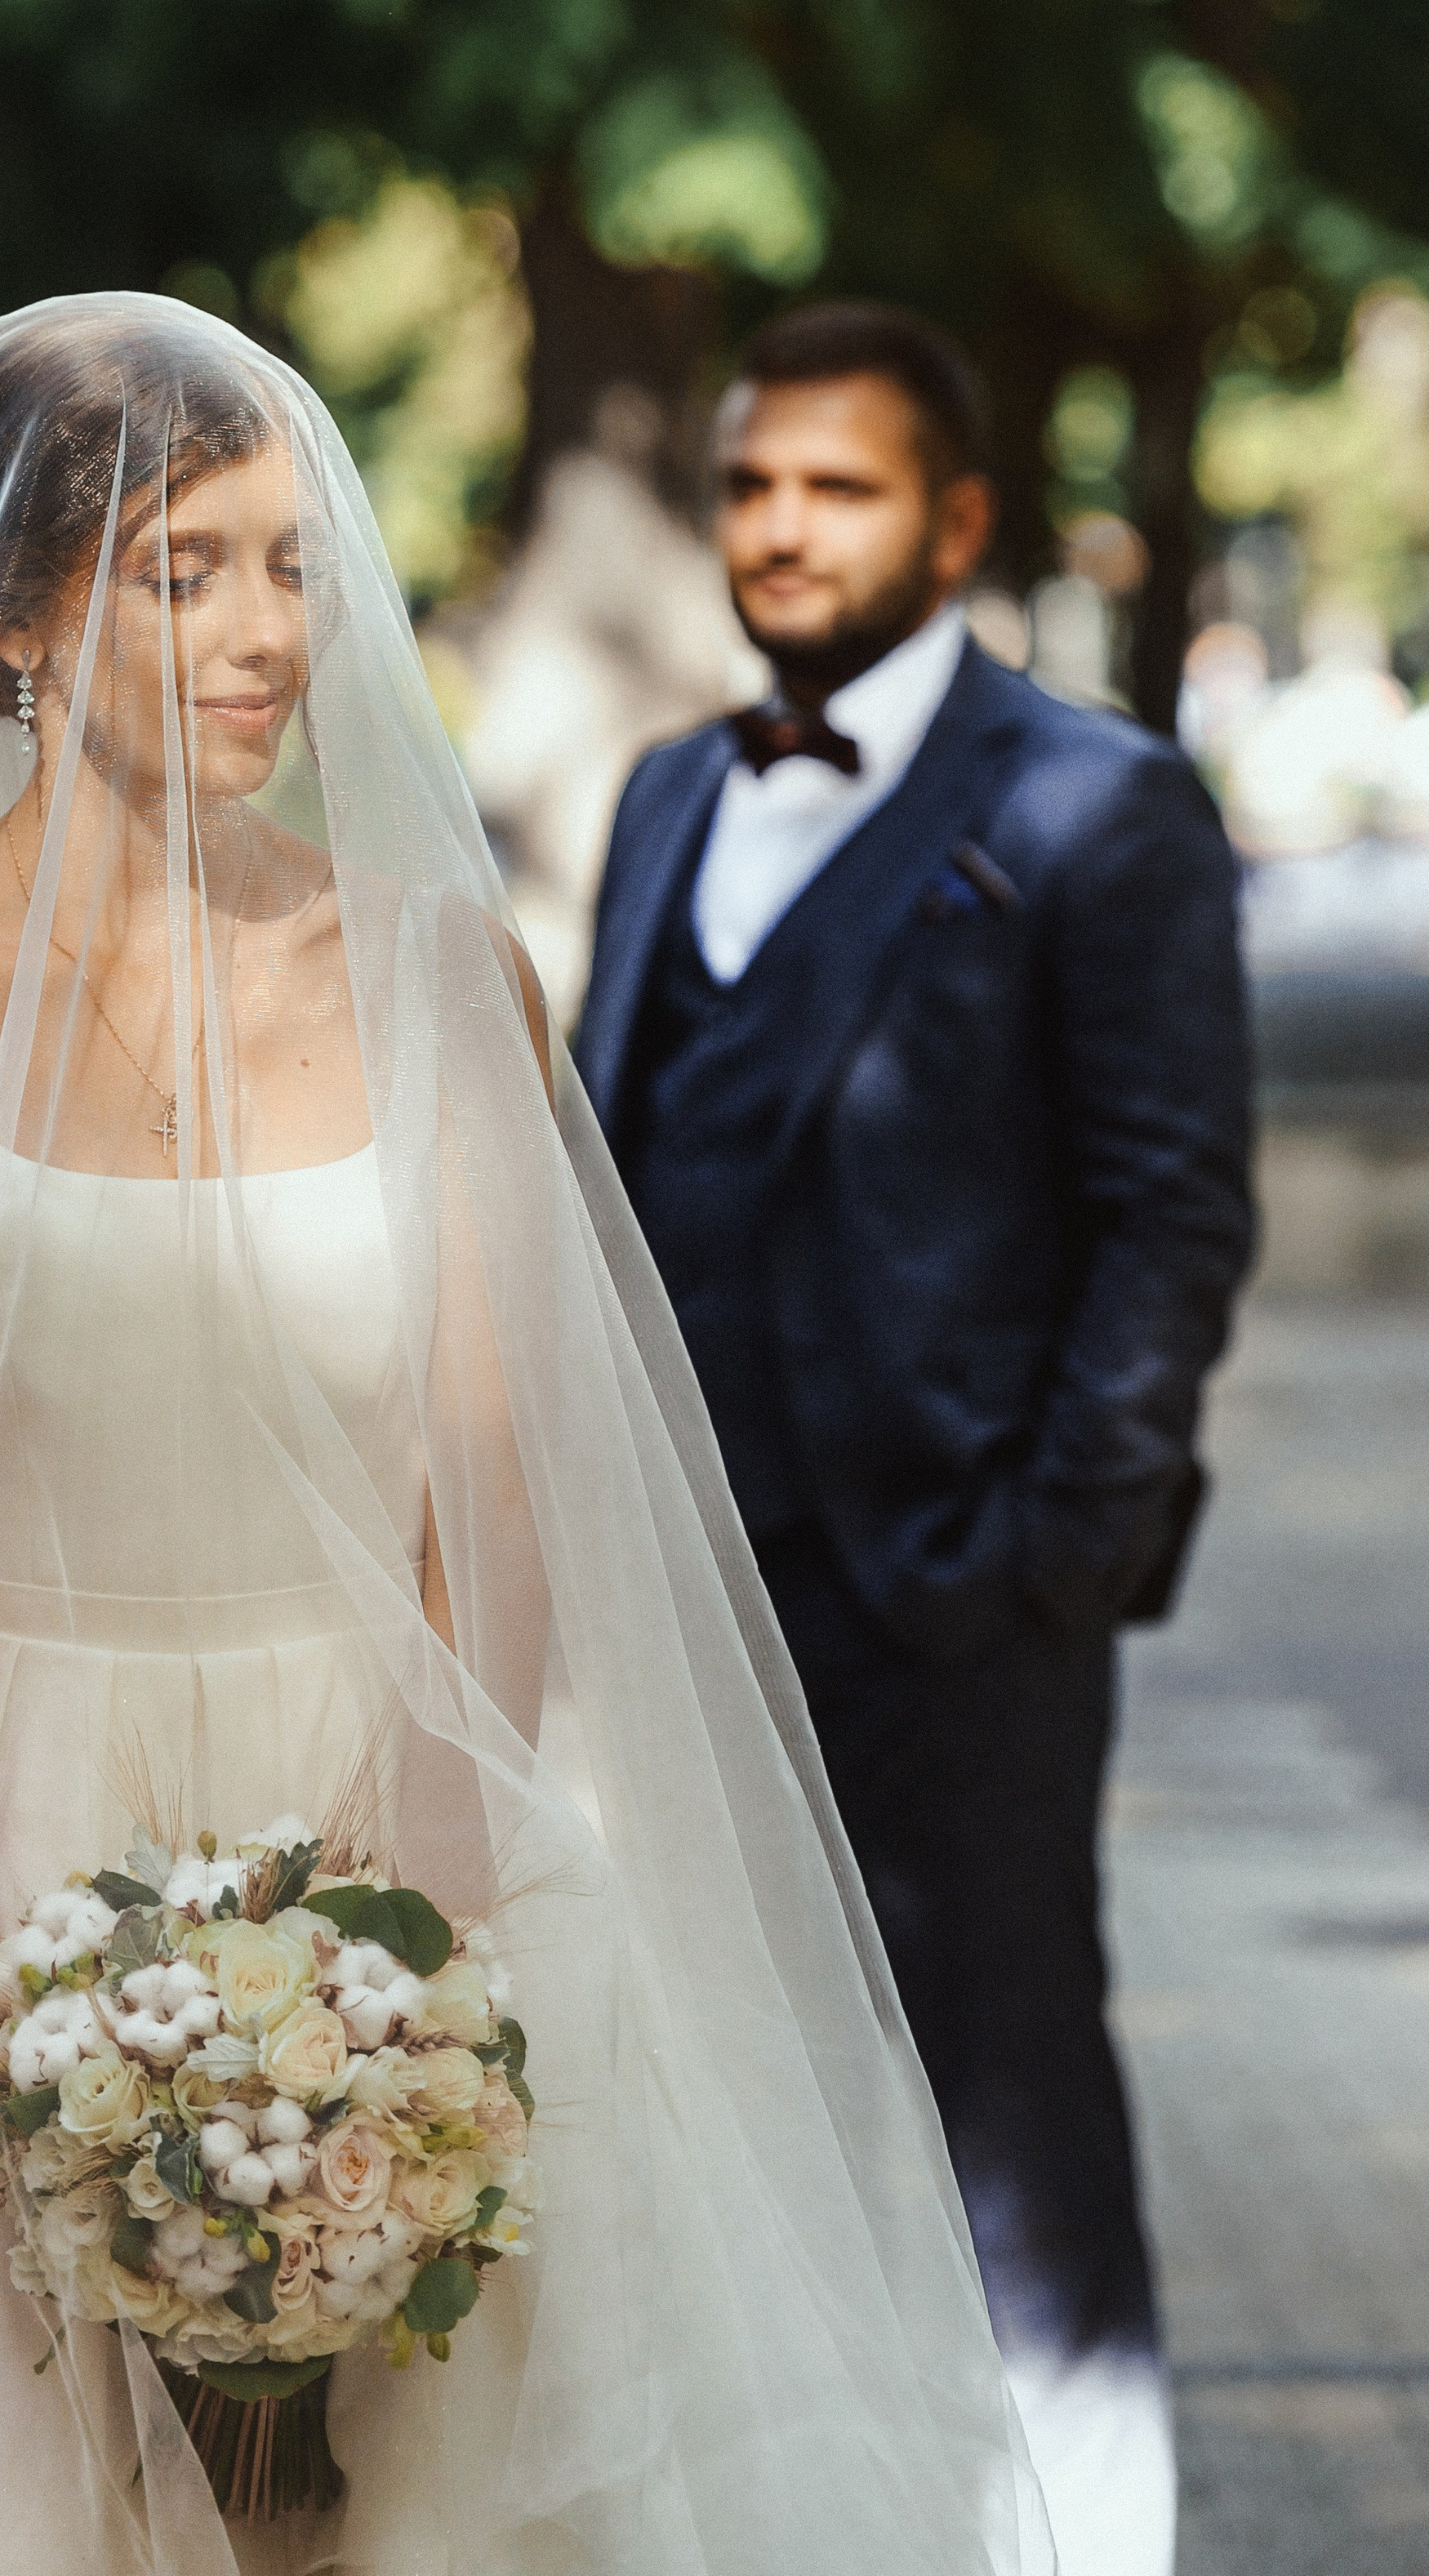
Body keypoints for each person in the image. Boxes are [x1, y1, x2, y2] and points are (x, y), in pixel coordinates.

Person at [0, 299, 1053, 2576]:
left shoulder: (450, 977)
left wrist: (399, 1983)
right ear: (27, 620)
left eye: (290, 566)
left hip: (397, 1828)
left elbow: (492, 1501)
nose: (272, 635)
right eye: (188, 572)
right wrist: (26, 2062)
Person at [577, 298, 1255, 2576]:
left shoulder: (1095, 802)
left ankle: (1080, 2543)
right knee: (713, 2113)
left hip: (961, 1593)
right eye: (754, 485)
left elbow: (1176, 1209)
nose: (783, 528)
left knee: (1011, 2134)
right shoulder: (674, 788)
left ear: (954, 522)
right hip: (683, 1594)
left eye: (838, 488)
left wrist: (1057, 1545)